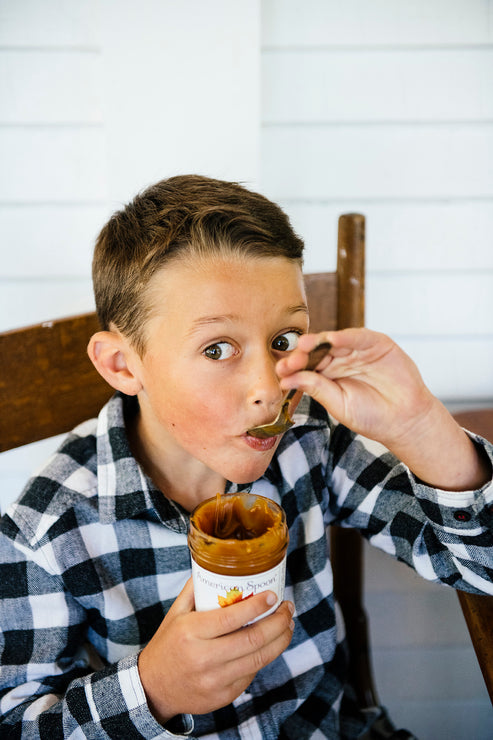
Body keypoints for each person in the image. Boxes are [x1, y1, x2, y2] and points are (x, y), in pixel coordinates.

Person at [0, 174, 492, 739]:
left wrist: (421, 426)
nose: (268, 386)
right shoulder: (44, 535)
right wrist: (151, 691)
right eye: (217, 349)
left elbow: (480, 564)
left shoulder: (308, 441)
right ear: (122, 366)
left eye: (284, 339)